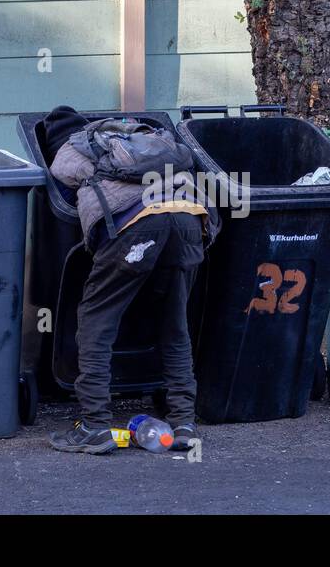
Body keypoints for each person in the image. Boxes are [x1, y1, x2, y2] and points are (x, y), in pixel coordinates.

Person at [41, 105, 218, 455]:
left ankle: (95, 426)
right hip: (190, 218)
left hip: (137, 223)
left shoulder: (71, 148)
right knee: (174, 322)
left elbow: (61, 202)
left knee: (96, 320)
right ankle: (183, 423)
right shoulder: (142, 136)